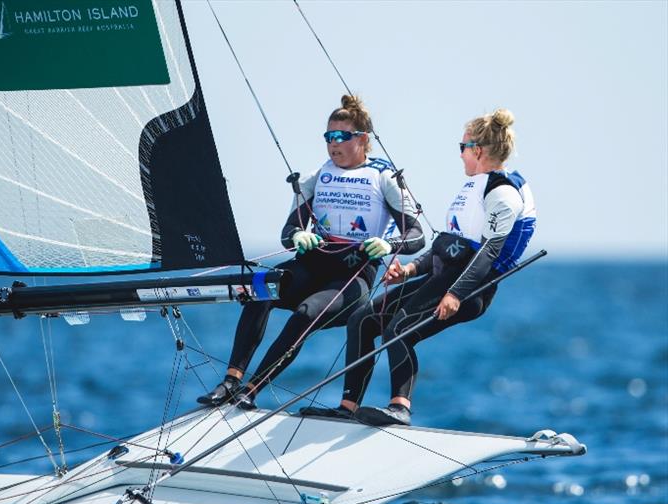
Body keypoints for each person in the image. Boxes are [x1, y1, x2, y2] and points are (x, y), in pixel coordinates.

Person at [300, 108, 536, 426]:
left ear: (477, 150)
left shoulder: (503, 192)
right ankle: (348, 407)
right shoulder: (476, 187)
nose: (461, 155)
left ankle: (400, 407)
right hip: (445, 276)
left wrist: (454, 294)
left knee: (398, 330)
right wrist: (410, 270)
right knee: (363, 320)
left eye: (462, 147)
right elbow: (449, 247)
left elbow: (488, 253)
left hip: (470, 286)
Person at [197, 95, 425, 410]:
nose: (333, 143)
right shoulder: (317, 177)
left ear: (362, 139)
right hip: (311, 266)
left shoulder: (383, 179)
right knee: (262, 287)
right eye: (328, 136)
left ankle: (251, 390)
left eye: (341, 136)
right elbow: (288, 234)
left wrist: (390, 245)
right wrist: (299, 236)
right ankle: (230, 381)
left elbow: (417, 235)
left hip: (351, 275)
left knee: (305, 313)